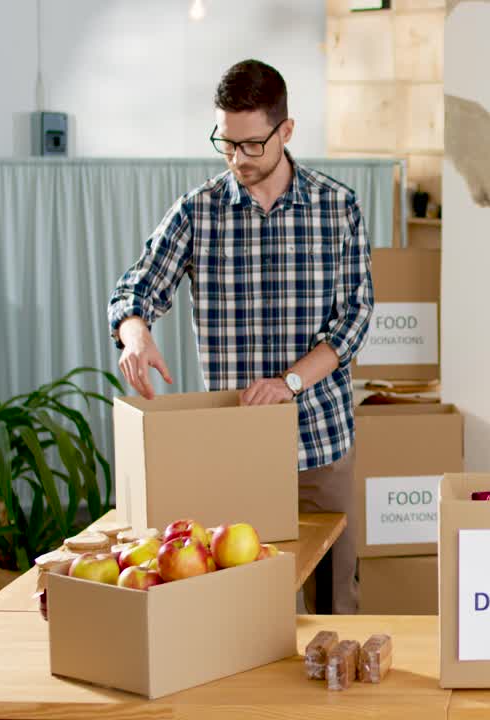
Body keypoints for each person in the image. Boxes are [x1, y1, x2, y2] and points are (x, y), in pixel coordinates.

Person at [107, 59, 372, 613]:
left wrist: (289, 382)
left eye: (252, 145)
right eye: (226, 144)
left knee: (335, 602)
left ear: (286, 131)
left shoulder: (337, 207)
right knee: (241, 609)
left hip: (321, 442)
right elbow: (134, 290)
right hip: (234, 450)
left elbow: (354, 317)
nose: (238, 159)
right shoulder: (197, 212)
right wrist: (135, 335)